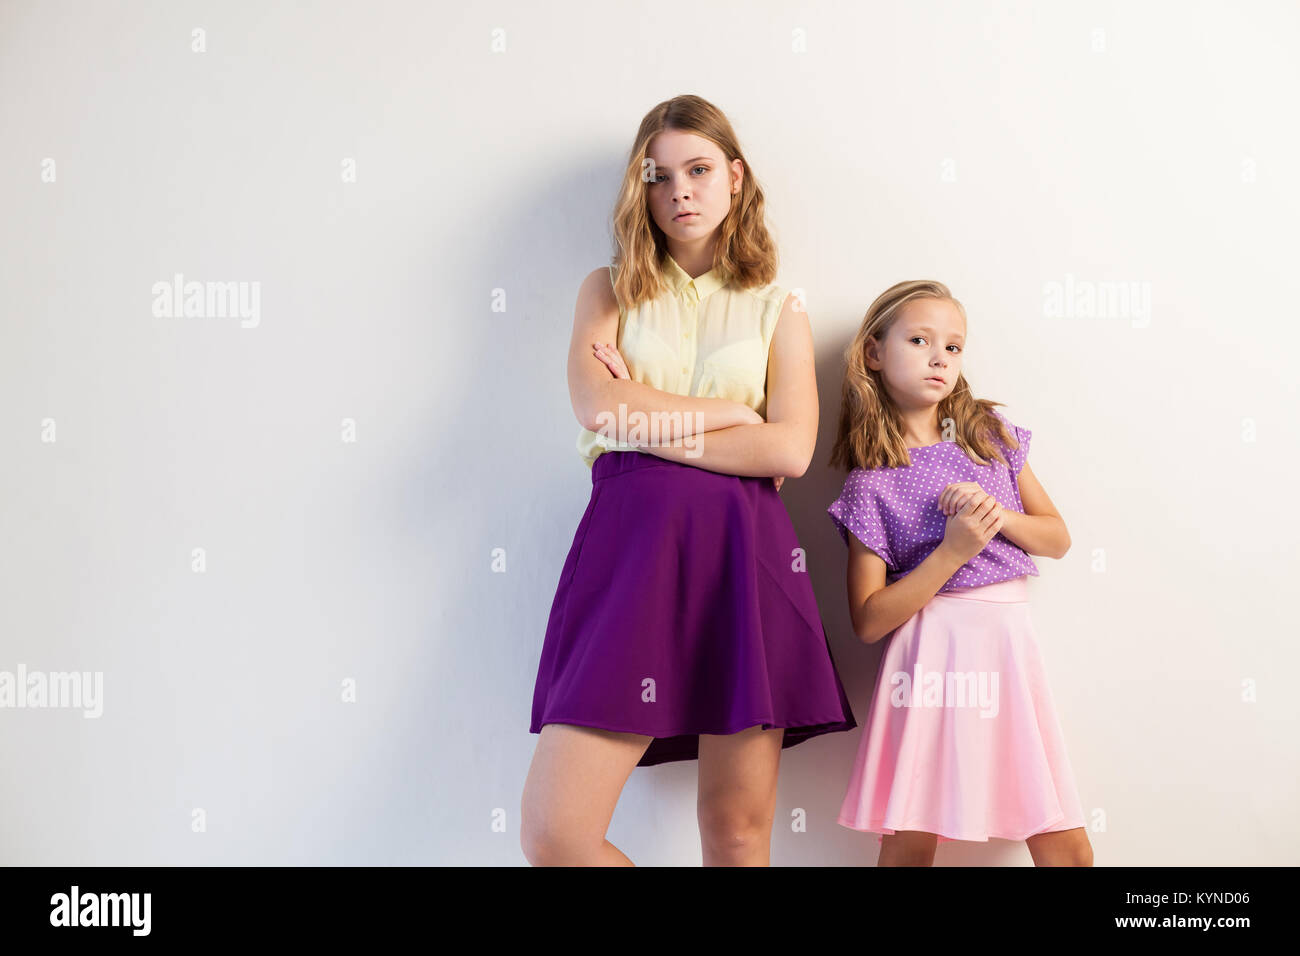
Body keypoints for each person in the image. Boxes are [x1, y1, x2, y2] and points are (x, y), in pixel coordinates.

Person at [520, 94, 856, 866]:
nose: (680, 191)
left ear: (734, 178)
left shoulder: (780, 308)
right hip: (628, 559)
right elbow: (598, 406)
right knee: (555, 835)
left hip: (747, 560)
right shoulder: (607, 289)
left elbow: (790, 453)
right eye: (659, 175)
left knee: (737, 836)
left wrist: (654, 423)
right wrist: (733, 416)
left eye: (699, 170)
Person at [825, 279, 1093, 866]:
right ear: (874, 352)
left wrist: (996, 520)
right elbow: (868, 620)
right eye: (920, 340)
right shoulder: (871, 480)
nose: (939, 358)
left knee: (1065, 842)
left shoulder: (988, 438)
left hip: (1006, 646)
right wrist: (953, 550)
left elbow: (1058, 537)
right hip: (930, 654)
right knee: (911, 841)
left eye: (953, 346)